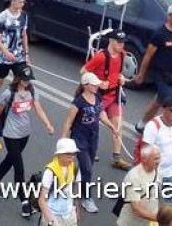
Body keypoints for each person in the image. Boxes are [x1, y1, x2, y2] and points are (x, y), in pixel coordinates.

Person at [0, 63, 54, 218]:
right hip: (11, 134)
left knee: (10, 160)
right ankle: (24, 202)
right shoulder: (8, 94)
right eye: (24, 79)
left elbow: (38, 109)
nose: (27, 82)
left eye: (29, 79)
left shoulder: (32, 90)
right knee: (19, 168)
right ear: (17, 78)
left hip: (25, 134)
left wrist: (48, 124)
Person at [82, 30, 133, 170]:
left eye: (123, 42)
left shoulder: (123, 54)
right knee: (93, 125)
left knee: (118, 124)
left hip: (114, 95)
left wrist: (122, 78)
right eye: (119, 42)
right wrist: (98, 82)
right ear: (111, 41)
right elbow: (83, 72)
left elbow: (117, 72)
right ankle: (88, 151)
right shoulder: (100, 57)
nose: (121, 45)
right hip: (100, 96)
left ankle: (116, 158)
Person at [61, 72, 103, 214]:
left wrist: (112, 127)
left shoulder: (97, 97)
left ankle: (74, 184)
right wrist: (63, 141)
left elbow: (100, 113)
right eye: (94, 84)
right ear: (86, 86)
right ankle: (86, 198)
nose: (97, 85)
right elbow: (68, 122)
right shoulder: (77, 103)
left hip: (93, 137)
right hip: (79, 139)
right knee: (87, 169)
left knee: (86, 168)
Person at [141, 98, 172, 209]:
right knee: (149, 206)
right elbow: (145, 150)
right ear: (163, 110)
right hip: (155, 173)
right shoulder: (153, 126)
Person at [37, 138, 81, 226]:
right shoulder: (50, 171)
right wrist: (51, 222)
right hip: (53, 214)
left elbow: (75, 188)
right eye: (68, 154)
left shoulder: (74, 167)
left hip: (69, 214)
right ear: (59, 154)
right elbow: (42, 200)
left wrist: (76, 208)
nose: (72, 157)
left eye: (73, 154)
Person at [117, 145, 162, 226]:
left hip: (151, 222)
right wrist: (161, 219)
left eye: (159, 158)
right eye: (155, 158)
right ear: (145, 159)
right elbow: (136, 209)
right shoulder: (133, 177)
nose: (158, 161)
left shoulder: (157, 171)